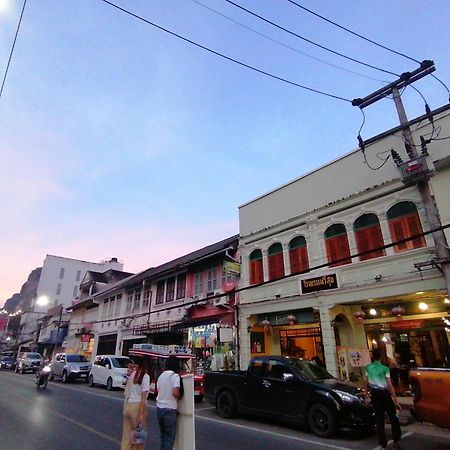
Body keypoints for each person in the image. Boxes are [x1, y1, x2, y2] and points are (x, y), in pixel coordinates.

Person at [365, 348, 402, 450]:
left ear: (372, 356)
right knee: (393, 417)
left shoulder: (368, 368)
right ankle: (396, 439)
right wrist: (395, 400)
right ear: (380, 357)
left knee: (379, 419)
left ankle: (383, 444)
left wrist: (366, 396)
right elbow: (390, 385)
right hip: (384, 393)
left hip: (374, 394)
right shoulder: (385, 368)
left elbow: (367, 384)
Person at [121, 359, 151, 450]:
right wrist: (141, 414)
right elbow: (143, 397)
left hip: (129, 405)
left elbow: (127, 392)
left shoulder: (133, 374)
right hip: (138, 408)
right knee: (138, 439)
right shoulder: (146, 377)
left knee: (127, 437)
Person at [156, 356, 181, 450]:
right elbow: (175, 392)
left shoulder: (161, 376)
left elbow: (159, 390)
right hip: (169, 410)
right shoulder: (175, 376)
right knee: (169, 438)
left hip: (159, 408)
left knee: (163, 436)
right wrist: (179, 396)